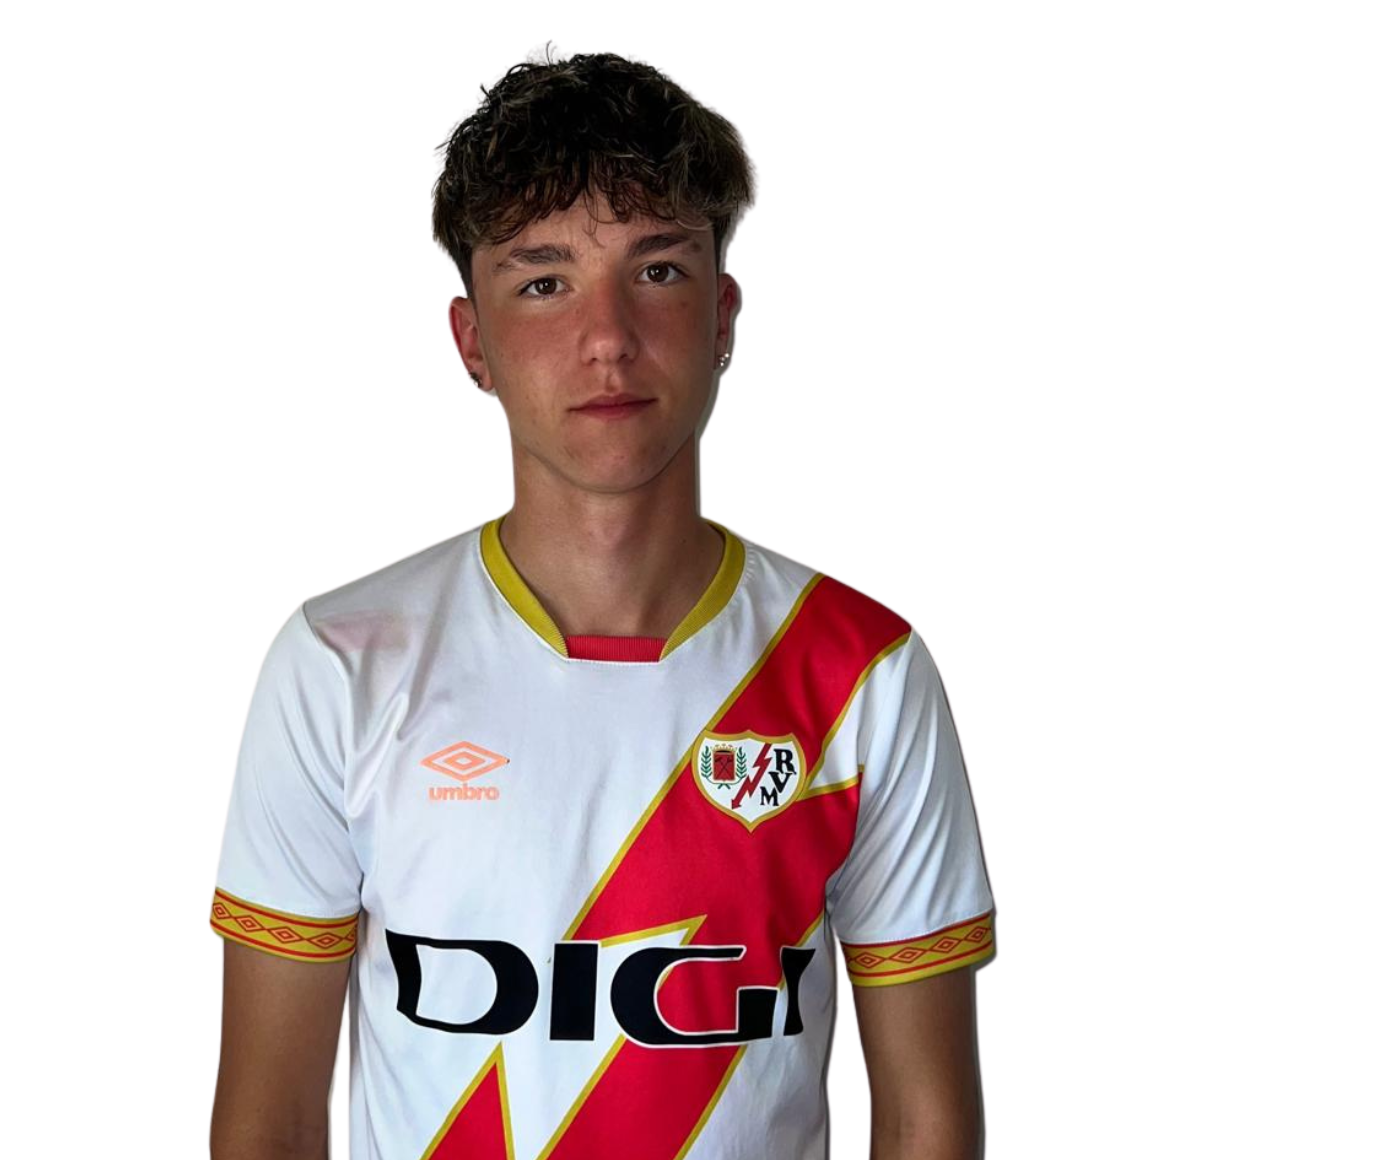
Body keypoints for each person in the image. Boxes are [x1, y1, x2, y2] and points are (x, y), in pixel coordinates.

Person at [208, 50, 996, 1160]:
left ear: (723, 316)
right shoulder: (341, 662)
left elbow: (926, 1121)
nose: (609, 336)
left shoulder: (864, 672)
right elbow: (270, 1124)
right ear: (472, 341)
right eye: (544, 282)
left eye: (658, 270)